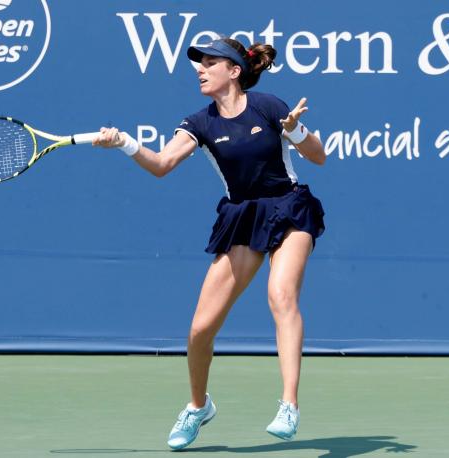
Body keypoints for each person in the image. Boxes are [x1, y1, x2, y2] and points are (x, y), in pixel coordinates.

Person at [93, 37, 326, 450]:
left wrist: (296, 130)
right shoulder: (199, 122)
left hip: (289, 209)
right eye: (198, 63)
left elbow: (318, 156)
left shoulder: (269, 106)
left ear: (234, 72)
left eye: (210, 62)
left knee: (281, 296)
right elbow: (162, 165)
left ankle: (289, 404)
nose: (200, 68)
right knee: (200, 329)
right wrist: (125, 144)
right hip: (242, 217)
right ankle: (199, 406)